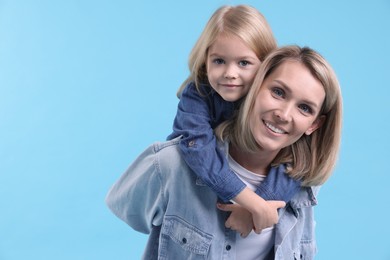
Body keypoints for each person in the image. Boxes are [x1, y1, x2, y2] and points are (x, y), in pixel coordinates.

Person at [106, 45, 343, 259]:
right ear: (254, 87)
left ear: (313, 124)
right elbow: (126, 207)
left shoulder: (305, 185)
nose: (284, 114)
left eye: (304, 108)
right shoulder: (172, 165)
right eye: (278, 92)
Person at [166, 4, 301, 234]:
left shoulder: (269, 103)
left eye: (244, 63)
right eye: (219, 61)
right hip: (196, 195)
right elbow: (196, 146)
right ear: (205, 60)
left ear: (265, 66)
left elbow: (297, 159)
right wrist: (251, 202)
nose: (230, 73)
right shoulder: (198, 93)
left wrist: (255, 209)